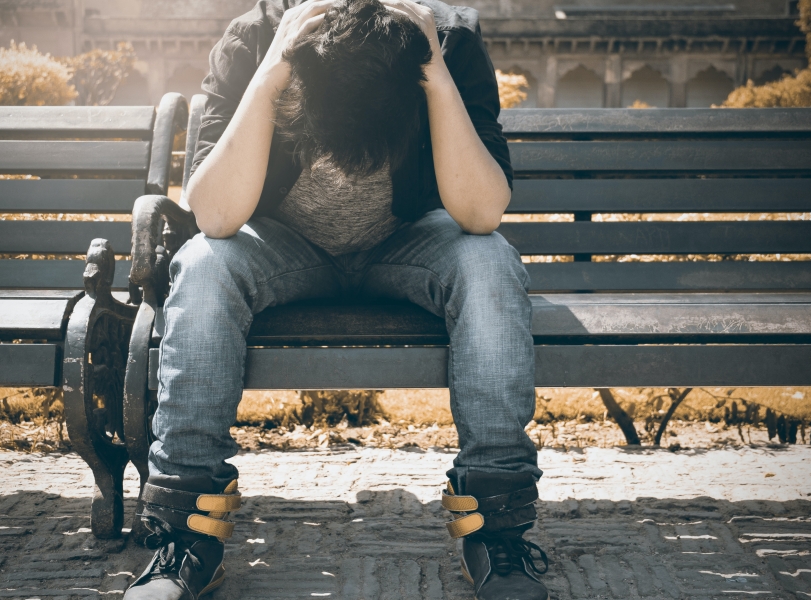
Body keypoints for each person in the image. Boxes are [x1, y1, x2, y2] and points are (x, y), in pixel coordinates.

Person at [124, 1, 547, 599]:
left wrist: (435, 72)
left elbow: (480, 213)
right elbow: (215, 216)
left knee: (488, 261)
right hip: (284, 245)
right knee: (203, 264)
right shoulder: (255, 37)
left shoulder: (448, 38)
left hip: (407, 243)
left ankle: (497, 532)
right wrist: (272, 72)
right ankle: (186, 535)